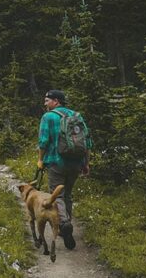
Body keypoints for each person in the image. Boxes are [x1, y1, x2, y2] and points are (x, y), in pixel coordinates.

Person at [37, 89, 91, 250]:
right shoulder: (77, 116)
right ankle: (66, 222)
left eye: (47, 100)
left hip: (56, 162)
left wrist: (40, 159)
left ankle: (64, 224)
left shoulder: (48, 116)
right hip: (76, 162)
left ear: (56, 101)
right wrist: (86, 163)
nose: (45, 103)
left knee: (57, 194)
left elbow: (43, 141)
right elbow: (87, 142)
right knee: (67, 194)